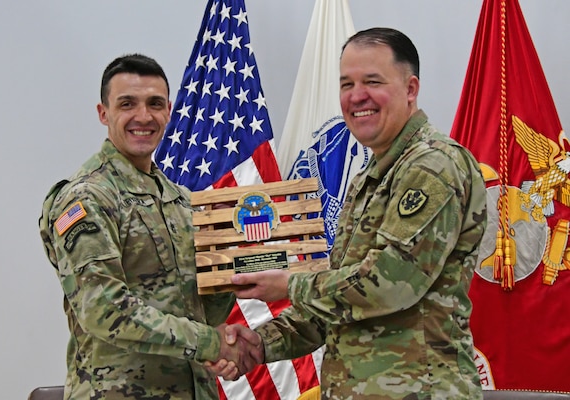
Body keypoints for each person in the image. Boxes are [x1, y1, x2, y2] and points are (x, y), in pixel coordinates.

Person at [212, 27, 488, 399]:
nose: (357, 97)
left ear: (410, 89)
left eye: (372, 81)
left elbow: (390, 284)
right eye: (346, 84)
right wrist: (258, 344)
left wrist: (288, 284)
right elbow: (337, 301)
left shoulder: (433, 165)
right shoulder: (368, 180)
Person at [38, 53, 262, 400]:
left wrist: (238, 271)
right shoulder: (86, 199)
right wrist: (209, 343)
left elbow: (204, 310)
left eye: (155, 104)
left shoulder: (183, 201)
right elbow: (104, 308)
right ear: (104, 113)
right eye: (127, 104)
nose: (143, 117)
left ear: (169, 111)